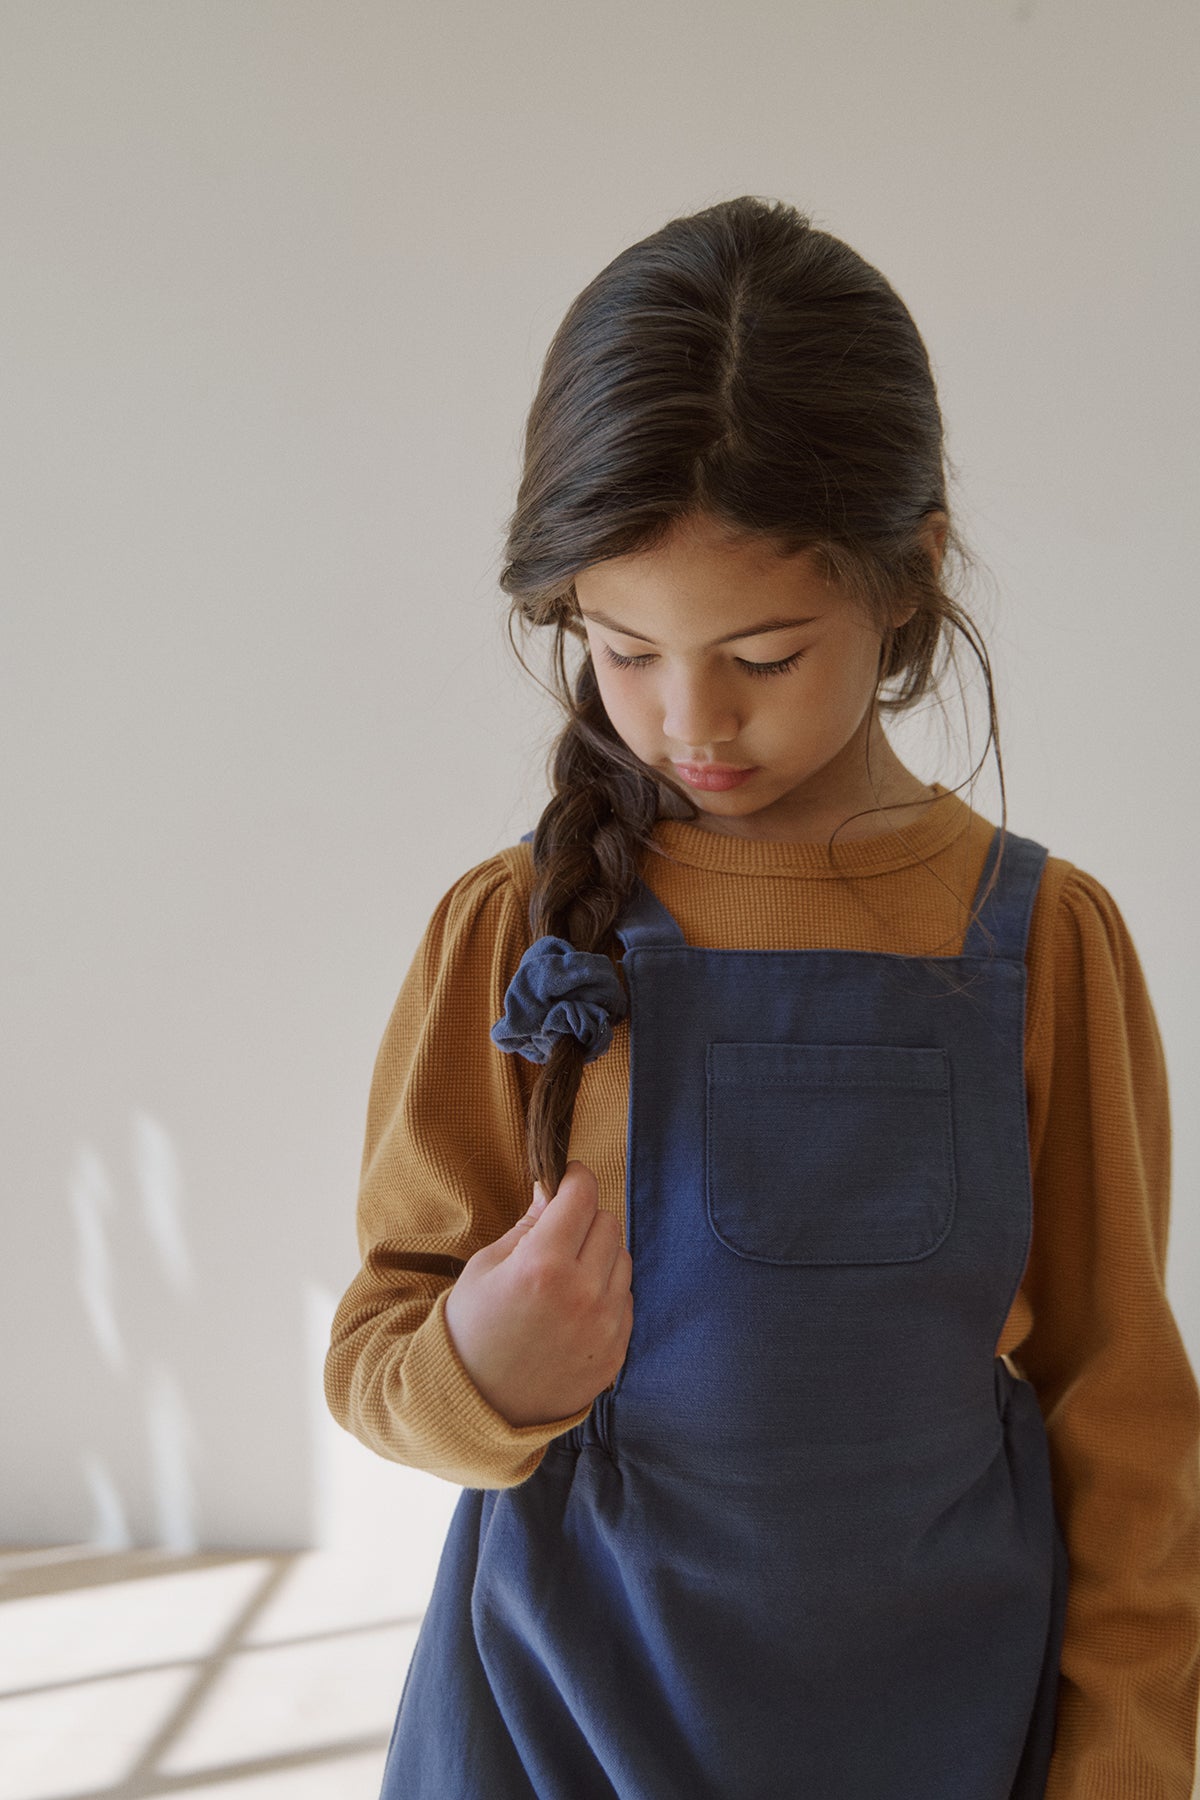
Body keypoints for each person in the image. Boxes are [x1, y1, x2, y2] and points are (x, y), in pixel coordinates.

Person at [323, 196, 1200, 1798]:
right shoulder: (510, 930)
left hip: (942, 1729)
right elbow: (379, 1352)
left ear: (910, 577)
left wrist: (1125, 1763)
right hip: (552, 1731)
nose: (687, 720)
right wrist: (483, 1372)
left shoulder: (1045, 941)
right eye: (621, 648)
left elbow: (1126, 1420)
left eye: (767, 654)